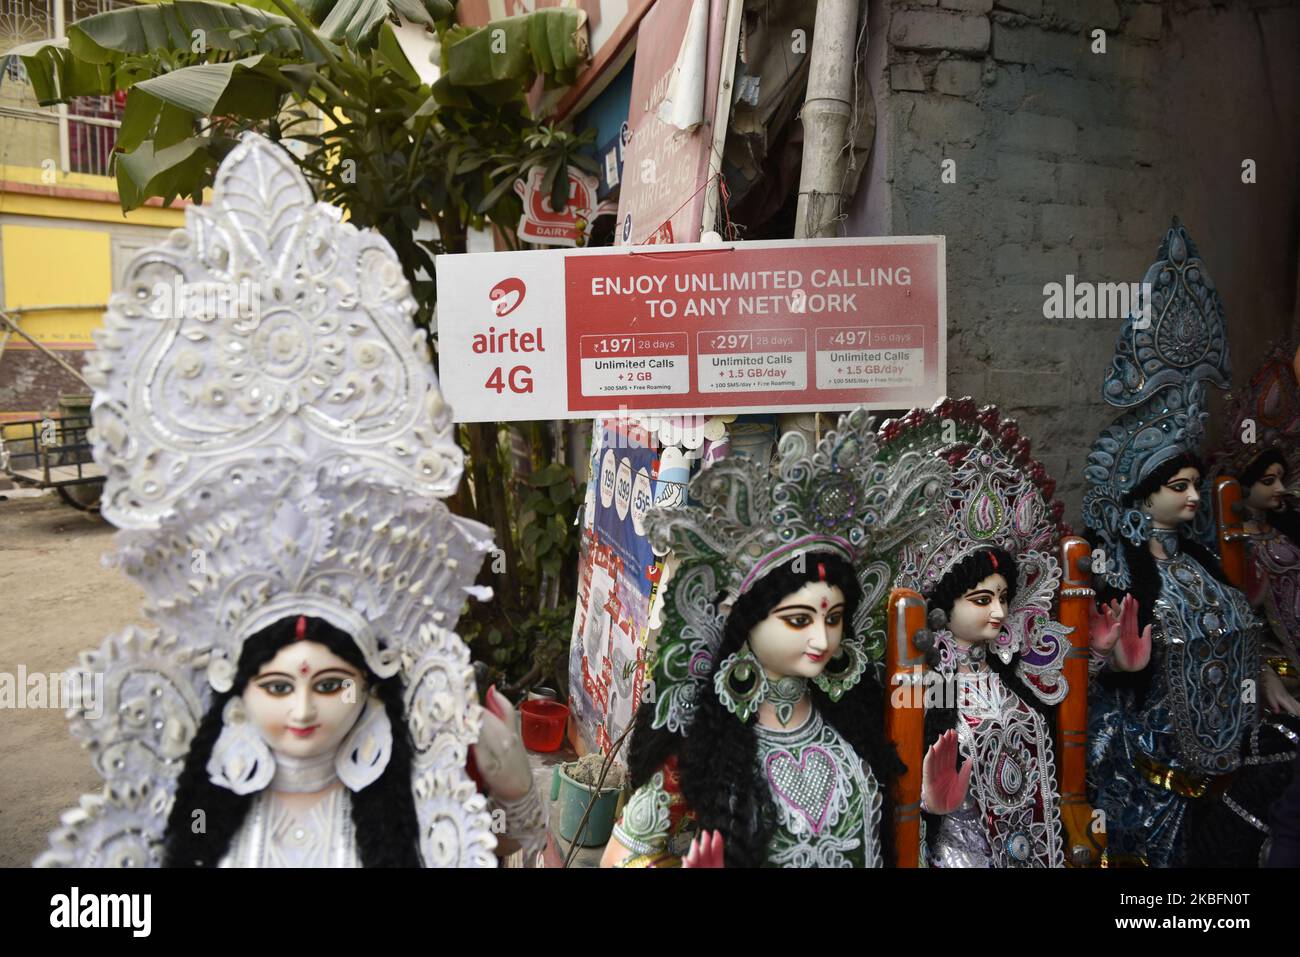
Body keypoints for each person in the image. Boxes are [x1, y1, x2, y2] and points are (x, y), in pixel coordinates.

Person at [599, 408, 959, 867]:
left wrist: (928, 807)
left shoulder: (854, 715)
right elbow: (620, 856)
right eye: (797, 620)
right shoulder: (701, 743)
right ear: (744, 621)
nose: (822, 638)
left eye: (833, 619)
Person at [1082, 220, 1300, 866]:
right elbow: (1087, 667)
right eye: (1175, 486)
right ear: (1141, 491)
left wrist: (1266, 678)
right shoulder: (1108, 565)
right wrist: (1115, 665)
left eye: (1192, 484)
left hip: (1218, 756)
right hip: (1145, 767)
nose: (1189, 497)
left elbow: (1238, 618)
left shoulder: (1201, 556)